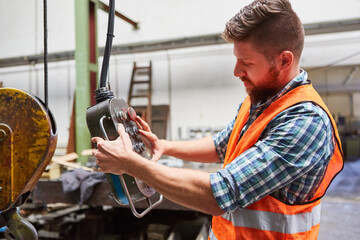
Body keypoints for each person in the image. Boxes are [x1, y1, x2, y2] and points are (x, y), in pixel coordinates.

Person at [92, 0, 344, 239]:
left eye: (246, 62)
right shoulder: (259, 101)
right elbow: (221, 145)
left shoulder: (305, 122)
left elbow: (218, 195)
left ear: (284, 60)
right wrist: (164, 146)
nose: (236, 72)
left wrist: (132, 164)